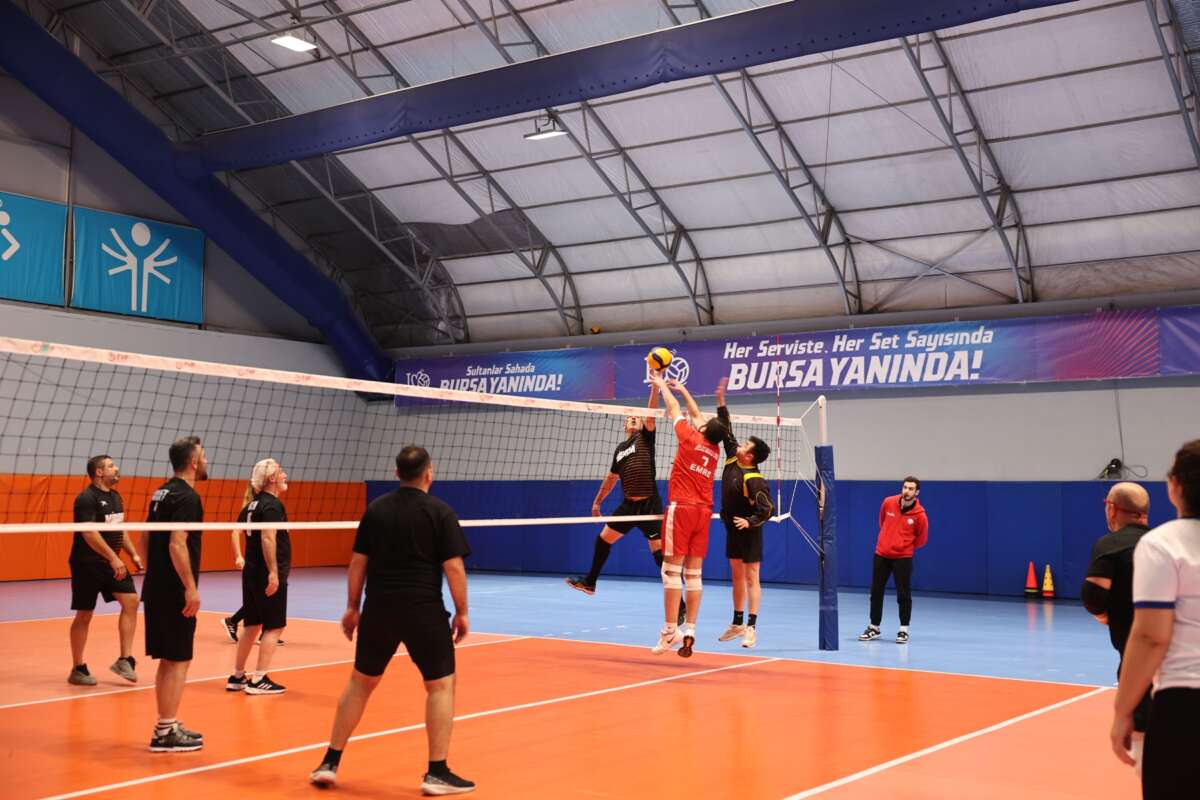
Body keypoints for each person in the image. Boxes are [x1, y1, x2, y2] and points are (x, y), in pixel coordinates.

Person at [310, 446, 474, 795]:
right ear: (429, 473)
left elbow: (358, 562)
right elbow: (454, 567)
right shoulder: (441, 512)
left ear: (397, 473)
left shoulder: (376, 510)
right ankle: (437, 772)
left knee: (360, 683)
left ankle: (329, 762)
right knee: (441, 685)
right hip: (423, 610)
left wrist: (352, 607)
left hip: (379, 609)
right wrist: (462, 612)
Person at [1111, 440, 1200, 798]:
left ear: (1174, 486)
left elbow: (1151, 636)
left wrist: (1123, 710)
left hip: (1185, 702)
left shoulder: (1162, 544)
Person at [567, 383, 686, 621]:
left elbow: (650, 415)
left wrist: (654, 390)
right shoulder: (620, 450)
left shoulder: (645, 437)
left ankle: (680, 605)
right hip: (628, 506)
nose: (633, 418)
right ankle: (590, 582)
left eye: (636, 417)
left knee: (659, 555)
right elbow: (611, 478)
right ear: (624, 425)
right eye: (629, 417)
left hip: (649, 504)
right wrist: (597, 502)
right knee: (603, 539)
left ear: (641, 423)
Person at [647, 374, 726, 658]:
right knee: (693, 574)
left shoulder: (690, 438)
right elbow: (696, 414)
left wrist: (662, 386)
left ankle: (670, 630)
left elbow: (675, 410)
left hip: (681, 508)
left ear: (703, 429)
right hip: (704, 512)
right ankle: (690, 628)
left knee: (670, 571)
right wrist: (683, 389)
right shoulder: (714, 450)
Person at [140, 435, 207, 752]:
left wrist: (152, 573)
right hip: (174, 591)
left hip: (157, 587)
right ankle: (165, 732)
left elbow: (145, 537)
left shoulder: (161, 492)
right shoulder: (188, 497)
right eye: (203, 456)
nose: (206, 461)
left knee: (169, 660)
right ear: (193, 462)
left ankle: (166, 724)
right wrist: (190, 588)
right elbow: (177, 543)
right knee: (179, 659)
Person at [1082, 482, 1153, 769]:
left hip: (1140, 664)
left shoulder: (1110, 545)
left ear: (1111, 508)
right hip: (1184, 664)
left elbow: (1093, 597)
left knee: (1147, 754)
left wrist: (1104, 614)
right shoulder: (1165, 543)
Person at [67, 454, 142, 686]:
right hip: (87, 564)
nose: (116, 468)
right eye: (111, 466)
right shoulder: (86, 498)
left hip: (111, 563)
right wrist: (114, 558)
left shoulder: (116, 497)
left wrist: (133, 554)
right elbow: (89, 533)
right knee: (84, 615)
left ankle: (124, 660)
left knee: (131, 601)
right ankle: (78, 668)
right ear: (99, 472)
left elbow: (120, 529)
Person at [713, 378, 773, 649]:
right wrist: (721, 401)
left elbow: (767, 509)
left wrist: (750, 522)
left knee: (751, 577)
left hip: (749, 532)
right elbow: (726, 430)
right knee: (736, 576)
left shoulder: (754, 479)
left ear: (750, 456)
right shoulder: (731, 458)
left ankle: (751, 627)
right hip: (731, 528)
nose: (740, 445)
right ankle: (737, 623)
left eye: (745, 446)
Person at [226, 459, 291, 695]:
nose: (285, 475)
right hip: (265, 571)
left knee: (252, 625)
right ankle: (259, 679)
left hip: (251, 572)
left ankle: (237, 676)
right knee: (274, 626)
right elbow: (267, 538)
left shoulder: (251, 505)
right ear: (271, 478)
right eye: (281, 472)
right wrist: (274, 571)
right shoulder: (272, 505)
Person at [858, 477, 928, 644]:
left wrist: (903, 546)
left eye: (911, 489)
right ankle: (874, 627)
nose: (907, 491)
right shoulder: (888, 502)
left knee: (903, 594)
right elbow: (882, 522)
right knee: (876, 592)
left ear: (917, 492)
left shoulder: (920, 515)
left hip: (903, 558)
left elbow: (921, 539)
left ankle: (903, 629)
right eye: (905, 487)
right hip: (881, 554)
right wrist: (887, 541)